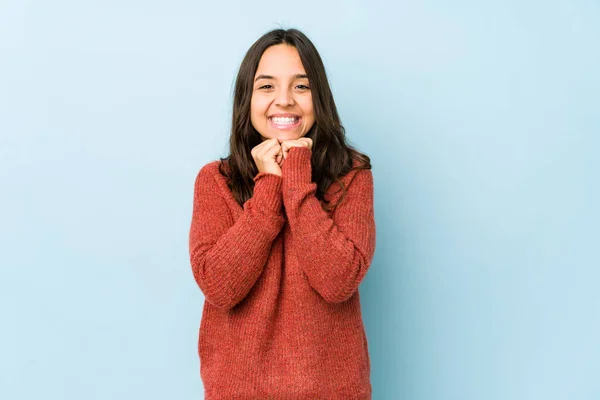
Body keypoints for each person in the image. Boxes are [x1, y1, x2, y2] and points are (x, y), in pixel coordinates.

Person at [188, 27, 376, 399]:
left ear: (319, 98)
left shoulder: (352, 176)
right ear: (248, 98)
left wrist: (295, 181)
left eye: (301, 87)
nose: (285, 101)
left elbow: (338, 281)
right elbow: (220, 287)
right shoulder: (215, 181)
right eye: (267, 86)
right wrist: (269, 187)